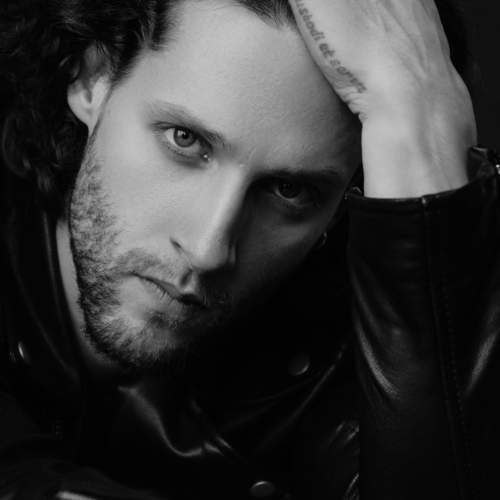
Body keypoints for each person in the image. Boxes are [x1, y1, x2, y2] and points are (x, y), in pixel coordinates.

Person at [1, 0, 499, 498]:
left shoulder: (346, 356)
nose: (208, 249)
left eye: (289, 191)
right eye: (184, 140)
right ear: (92, 78)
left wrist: (422, 127)